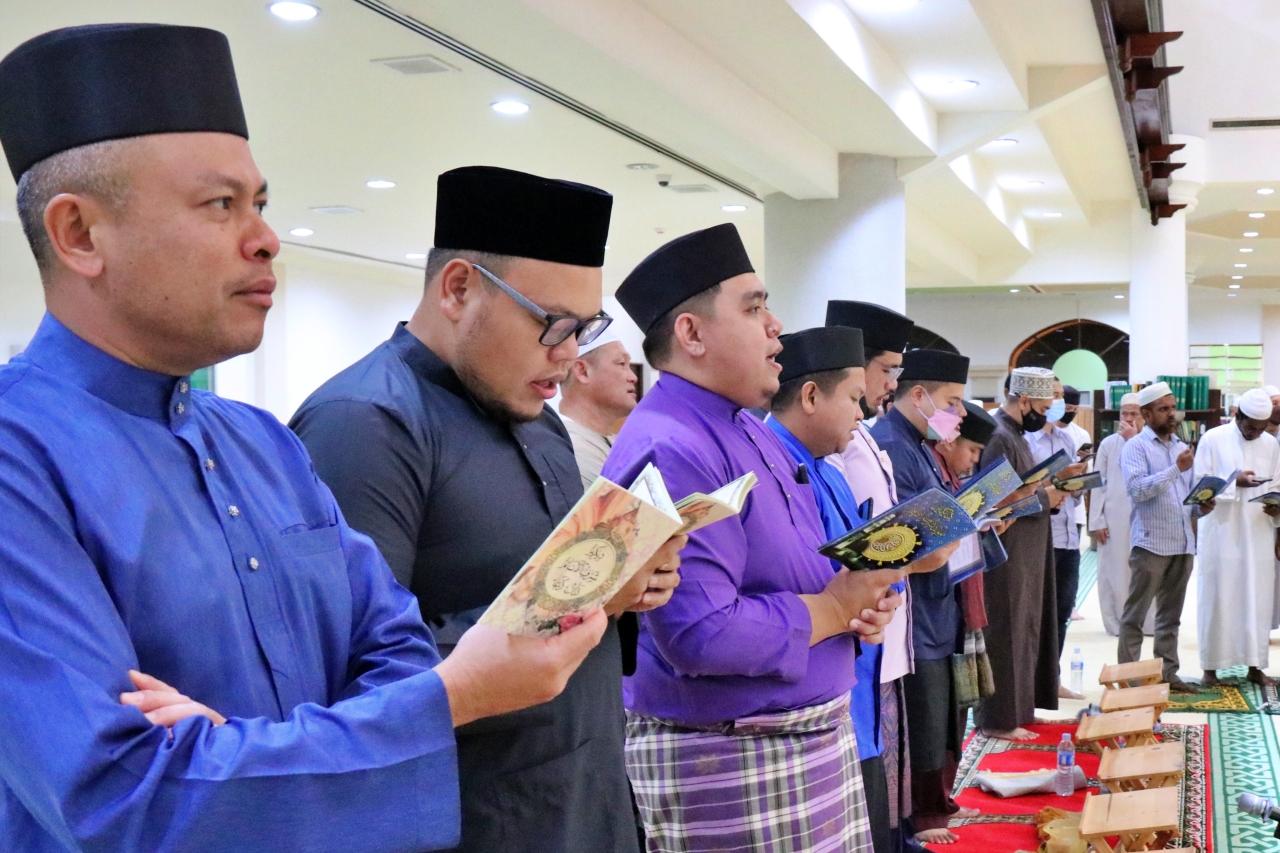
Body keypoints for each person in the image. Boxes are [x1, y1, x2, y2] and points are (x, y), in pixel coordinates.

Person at [0, 24, 608, 853]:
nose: (265, 238)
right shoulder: (18, 459)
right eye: (221, 206)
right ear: (80, 235)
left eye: (260, 204)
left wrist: (232, 760)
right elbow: (119, 796)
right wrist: (446, 698)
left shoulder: (260, 443)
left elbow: (391, 639)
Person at [291, 166, 684, 853]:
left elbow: (555, 594)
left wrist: (622, 590)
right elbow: (350, 679)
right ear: (459, 288)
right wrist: (577, 604)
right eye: (552, 324)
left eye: (584, 329)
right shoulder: (366, 423)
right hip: (478, 821)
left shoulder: (540, 419)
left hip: (589, 803)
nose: (567, 355)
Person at [602, 224, 903, 853]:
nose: (777, 327)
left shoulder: (747, 426)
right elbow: (699, 634)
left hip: (794, 741)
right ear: (691, 333)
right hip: (732, 753)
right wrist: (833, 609)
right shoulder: (672, 444)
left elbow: (794, 567)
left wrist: (854, 606)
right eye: (755, 307)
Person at [871, 348, 981, 844]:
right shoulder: (892, 444)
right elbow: (907, 538)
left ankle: (930, 810)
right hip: (909, 612)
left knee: (938, 713)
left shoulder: (916, 443)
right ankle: (920, 819)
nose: (959, 415)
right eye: (952, 402)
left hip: (935, 604)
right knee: (920, 717)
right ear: (917, 395)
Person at [823, 300, 920, 853]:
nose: (889, 386)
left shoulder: (859, 433)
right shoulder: (831, 448)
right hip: (851, 631)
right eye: (887, 371)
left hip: (878, 618)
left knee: (881, 751)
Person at [976, 368, 1075, 740]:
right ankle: (998, 720)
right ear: (1024, 401)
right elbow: (995, 505)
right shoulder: (999, 437)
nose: (1046, 414)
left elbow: (1019, 490)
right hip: (1007, 555)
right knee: (1006, 632)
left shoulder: (1015, 434)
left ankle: (1020, 709)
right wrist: (1043, 497)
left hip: (1027, 552)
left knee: (1026, 629)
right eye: (1044, 407)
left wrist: (1053, 485)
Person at [1118, 381, 1211, 693]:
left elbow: (1182, 497)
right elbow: (1138, 491)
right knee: (1135, 617)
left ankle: (1168, 675)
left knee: (1171, 619)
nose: (1172, 415)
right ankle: (1130, 682)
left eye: (1173, 408)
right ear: (1146, 413)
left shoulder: (1178, 447)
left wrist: (1201, 508)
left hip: (1183, 543)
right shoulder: (1136, 447)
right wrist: (1175, 469)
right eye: (1164, 409)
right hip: (1151, 544)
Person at [1195, 388, 1280, 686]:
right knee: (1218, 597)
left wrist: (1276, 509)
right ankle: (1211, 668)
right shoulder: (1212, 439)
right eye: (1250, 427)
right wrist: (1235, 482)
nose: (1256, 433)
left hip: (1258, 532)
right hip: (1221, 531)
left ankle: (1255, 667)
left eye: (1261, 428)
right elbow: (1199, 484)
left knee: (1257, 599)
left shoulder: (1271, 443)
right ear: (1237, 416)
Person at [1024, 379, 1086, 699]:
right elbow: (1023, 490)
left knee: (1061, 611)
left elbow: (1068, 487)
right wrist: (1053, 482)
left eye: (1063, 397)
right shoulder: (1025, 440)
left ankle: (1052, 679)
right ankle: (1028, 683)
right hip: (1039, 535)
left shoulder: (1067, 438)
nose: (1060, 404)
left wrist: (1078, 480)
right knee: (1035, 613)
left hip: (1068, 535)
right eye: (1057, 397)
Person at [1089, 393, 1153, 637]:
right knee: (1114, 571)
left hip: (1146, 519)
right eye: (1124, 413)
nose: (1128, 418)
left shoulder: (1152, 441)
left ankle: (1146, 623)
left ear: (1144, 416)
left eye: (1133, 413)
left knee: (1145, 572)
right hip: (1114, 519)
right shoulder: (1108, 444)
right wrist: (1097, 520)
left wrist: (1133, 440)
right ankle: (1118, 624)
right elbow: (1098, 484)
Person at [558, 330, 639, 488]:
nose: (633, 377)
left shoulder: (610, 441)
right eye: (621, 364)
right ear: (583, 371)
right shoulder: (573, 451)